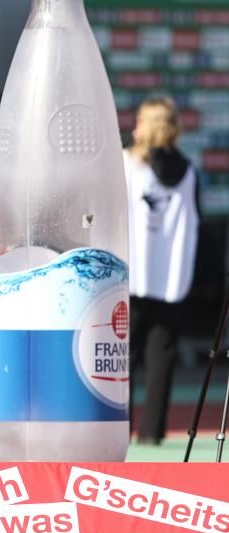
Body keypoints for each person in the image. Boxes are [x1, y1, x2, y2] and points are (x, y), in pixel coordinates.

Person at [124, 96, 199, 445]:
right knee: (161, 356)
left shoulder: (127, 165)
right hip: (172, 277)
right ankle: (152, 433)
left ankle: (116, 427)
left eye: (140, 120)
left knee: (122, 355)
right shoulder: (189, 170)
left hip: (132, 275)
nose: (135, 127)